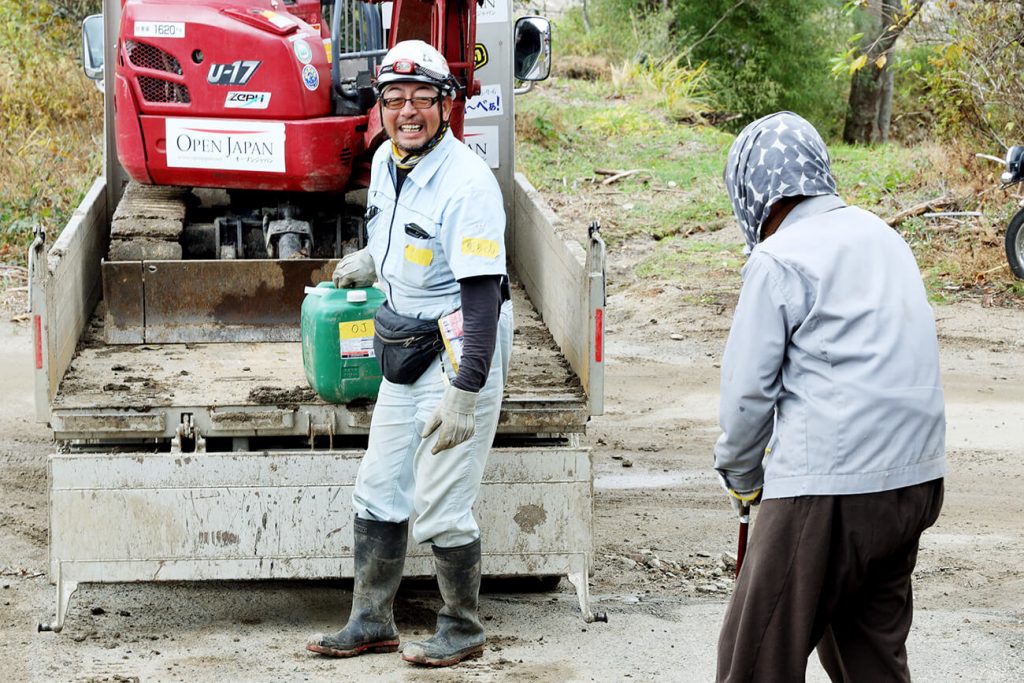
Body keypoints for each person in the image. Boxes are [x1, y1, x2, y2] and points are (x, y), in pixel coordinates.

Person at [713, 111, 946, 682]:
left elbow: (746, 399)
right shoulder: (884, 236)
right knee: (870, 658)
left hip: (829, 490)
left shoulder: (779, 259)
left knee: (754, 660)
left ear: (754, 192)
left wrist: (743, 480)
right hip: (913, 484)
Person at [305, 40, 513, 668]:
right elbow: (397, 236)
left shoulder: (468, 183)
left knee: (442, 501)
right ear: (381, 108)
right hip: (405, 346)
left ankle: (463, 626)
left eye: (423, 98)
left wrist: (464, 394)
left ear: (446, 105)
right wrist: (375, 261)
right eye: (394, 99)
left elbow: (482, 300)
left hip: (458, 354)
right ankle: (370, 621)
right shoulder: (388, 164)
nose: (408, 111)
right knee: (379, 487)